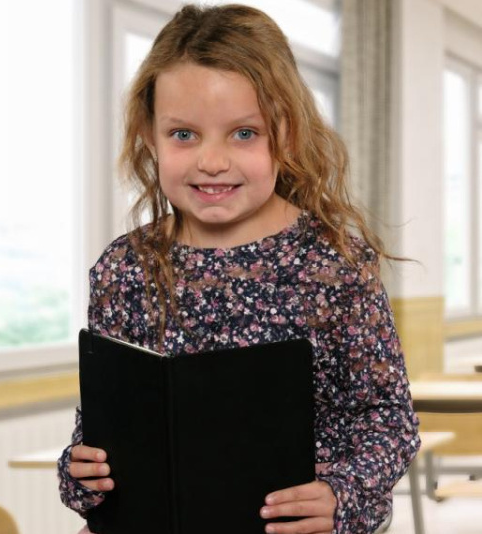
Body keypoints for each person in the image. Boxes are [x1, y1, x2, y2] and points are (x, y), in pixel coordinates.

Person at [57, 4, 421, 533]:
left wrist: (341, 495)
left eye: (244, 133)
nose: (212, 161)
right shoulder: (124, 269)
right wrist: (80, 472)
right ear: (149, 135)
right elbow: (102, 428)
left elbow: (389, 419)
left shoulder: (333, 265)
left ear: (287, 133)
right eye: (183, 134)